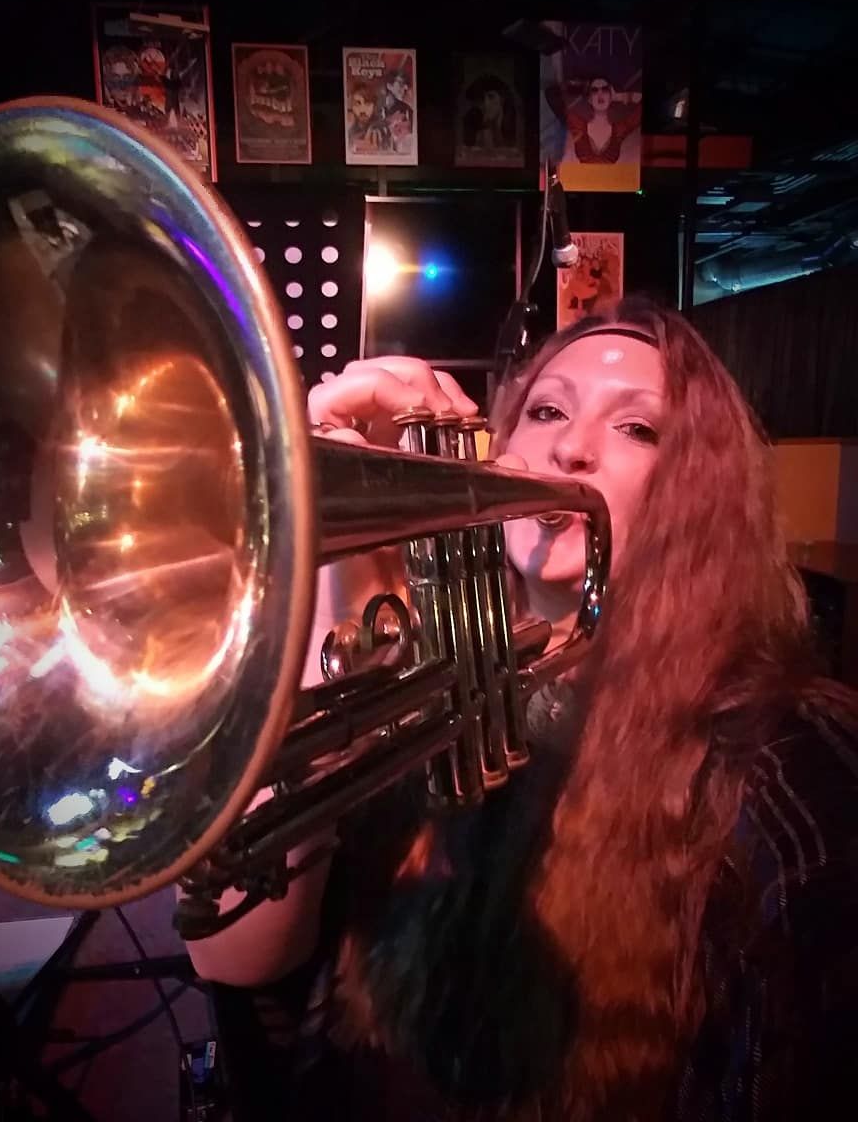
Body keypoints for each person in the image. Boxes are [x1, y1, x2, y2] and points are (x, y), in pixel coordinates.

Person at [184, 298, 858, 1121]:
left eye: (637, 429)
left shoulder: (781, 758)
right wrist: (332, 572)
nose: (569, 447)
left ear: (697, 497)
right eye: (545, 410)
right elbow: (233, 958)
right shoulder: (414, 665)